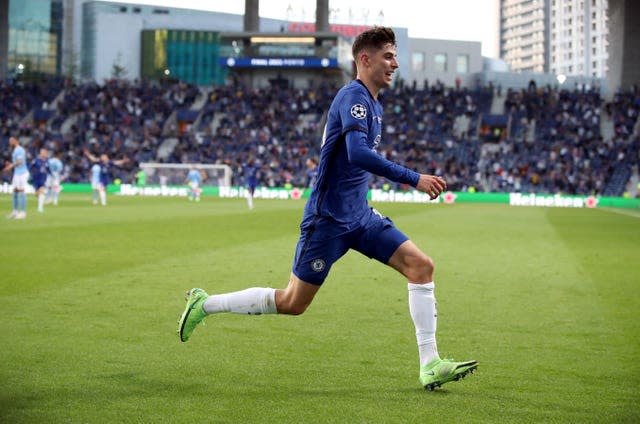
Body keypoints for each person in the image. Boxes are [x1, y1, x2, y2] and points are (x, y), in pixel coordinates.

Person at [177, 27, 477, 391]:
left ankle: (430, 364)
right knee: (293, 302)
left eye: (395, 56)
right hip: (329, 220)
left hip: (360, 216)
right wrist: (414, 178)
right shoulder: (352, 97)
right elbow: (358, 154)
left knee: (421, 266)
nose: (395, 64)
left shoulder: (373, 102)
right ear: (364, 59)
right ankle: (204, 304)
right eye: (388, 56)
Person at [3, 136, 29, 219]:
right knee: (15, 192)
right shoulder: (15, 150)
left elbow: (20, 161)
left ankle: (23, 213)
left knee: (21, 192)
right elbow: (17, 161)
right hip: (17, 173)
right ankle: (15, 211)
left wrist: (10, 166)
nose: (10, 142)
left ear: (16, 141)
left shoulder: (19, 149)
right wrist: (10, 164)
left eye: (11, 140)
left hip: (22, 173)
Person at [30, 147, 50, 213]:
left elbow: (49, 170)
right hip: (36, 179)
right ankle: (42, 200)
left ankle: (40, 208)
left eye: (44, 152)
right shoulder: (36, 160)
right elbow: (30, 167)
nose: (42, 154)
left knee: (42, 192)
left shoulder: (47, 161)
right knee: (37, 194)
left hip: (43, 179)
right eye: (41, 152)